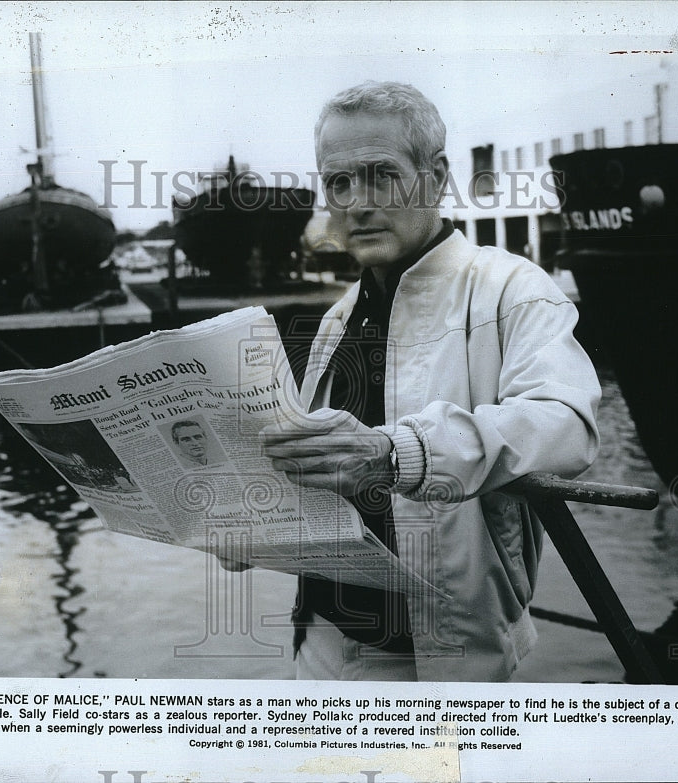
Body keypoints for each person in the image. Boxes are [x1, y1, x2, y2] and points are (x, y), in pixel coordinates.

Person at [236, 81, 600, 681]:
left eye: (381, 174)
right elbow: (319, 470)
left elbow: (569, 426)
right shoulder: (337, 319)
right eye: (339, 182)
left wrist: (396, 453)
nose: (357, 203)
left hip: (438, 655)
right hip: (320, 641)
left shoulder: (511, 288)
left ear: (435, 177)